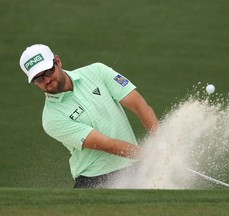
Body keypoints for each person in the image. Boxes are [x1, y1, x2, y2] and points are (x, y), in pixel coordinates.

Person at [19, 44, 158, 188]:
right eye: (38, 79)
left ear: (58, 61)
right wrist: (150, 155)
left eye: (48, 71)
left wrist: (161, 143)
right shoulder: (51, 118)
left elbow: (140, 106)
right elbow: (106, 145)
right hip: (95, 180)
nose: (46, 80)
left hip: (133, 165)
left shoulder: (97, 71)